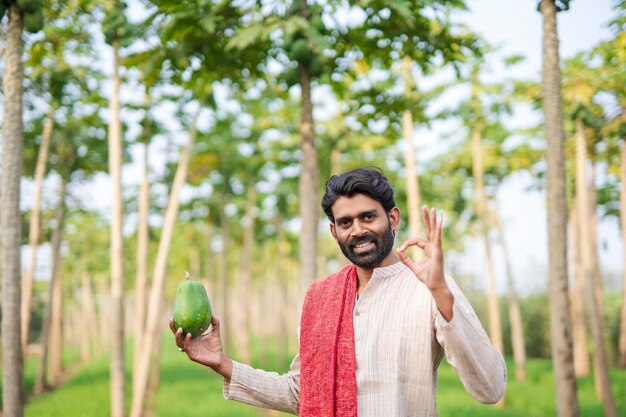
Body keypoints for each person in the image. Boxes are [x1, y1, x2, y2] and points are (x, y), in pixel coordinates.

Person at [170, 167, 507, 417]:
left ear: (393, 218)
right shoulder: (320, 298)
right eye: (346, 222)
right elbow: (302, 392)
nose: (358, 230)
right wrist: (222, 364)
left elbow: (490, 387)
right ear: (334, 231)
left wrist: (440, 292)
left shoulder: (428, 286)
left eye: (368, 217)